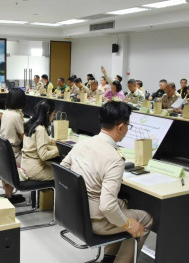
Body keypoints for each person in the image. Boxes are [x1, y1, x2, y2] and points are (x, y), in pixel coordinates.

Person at [61, 102, 152, 263]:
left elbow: (63, 170)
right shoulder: (114, 159)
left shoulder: (83, 143)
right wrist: (129, 225)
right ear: (121, 127)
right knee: (144, 219)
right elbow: (108, 206)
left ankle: (109, 257)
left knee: (123, 204)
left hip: (75, 212)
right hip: (96, 220)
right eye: (128, 126)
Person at [21, 99, 59, 180]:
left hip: (25, 165)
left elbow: (36, 139)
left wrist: (51, 141)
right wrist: (59, 151)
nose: (53, 117)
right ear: (48, 113)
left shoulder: (31, 124)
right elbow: (44, 155)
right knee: (64, 172)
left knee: (56, 165)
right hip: (35, 170)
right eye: (53, 114)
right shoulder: (41, 129)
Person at [0, 88, 26, 200]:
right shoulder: (16, 116)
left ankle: (8, 194)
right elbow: (23, 136)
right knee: (37, 162)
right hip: (14, 154)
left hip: (3, 153)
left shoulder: (6, 113)